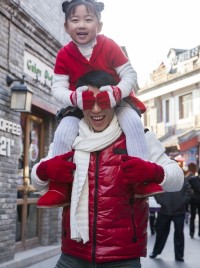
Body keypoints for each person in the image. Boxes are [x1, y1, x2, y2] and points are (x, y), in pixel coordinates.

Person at [31, 71, 184, 267]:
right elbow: (38, 182)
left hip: (122, 258)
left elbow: (177, 179)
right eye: (88, 103)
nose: (95, 110)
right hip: (73, 254)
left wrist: (154, 172)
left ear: (114, 101)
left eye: (102, 102)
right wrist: (44, 171)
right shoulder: (69, 139)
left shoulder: (137, 138)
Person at [45, 0, 155, 207]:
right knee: (63, 131)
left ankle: (141, 180)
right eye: (75, 20)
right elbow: (57, 87)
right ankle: (58, 186)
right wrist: (73, 98)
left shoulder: (109, 45)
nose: (82, 25)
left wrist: (116, 92)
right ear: (66, 27)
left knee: (132, 123)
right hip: (81, 103)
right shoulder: (64, 54)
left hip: (114, 100)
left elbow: (129, 75)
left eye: (88, 19)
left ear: (99, 25)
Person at [149, 178, 192, 262]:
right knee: (161, 232)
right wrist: (161, 201)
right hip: (164, 210)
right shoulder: (163, 178)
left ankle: (179, 256)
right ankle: (156, 251)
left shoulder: (182, 179)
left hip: (179, 211)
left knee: (179, 234)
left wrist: (182, 202)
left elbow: (188, 192)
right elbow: (156, 190)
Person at [188, 167, 200, 238]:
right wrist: (191, 194)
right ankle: (191, 232)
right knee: (192, 217)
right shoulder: (193, 179)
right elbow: (188, 187)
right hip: (193, 201)